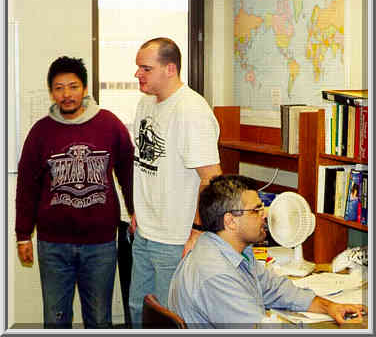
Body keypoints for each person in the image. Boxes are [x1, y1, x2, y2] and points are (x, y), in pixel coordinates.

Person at [15, 56, 134, 329]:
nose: (66, 95)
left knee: (99, 320)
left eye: (73, 86)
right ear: (51, 92)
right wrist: (23, 235)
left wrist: (135, 209)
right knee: (55, 320)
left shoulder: (109, 124)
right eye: (59, 88)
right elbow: (26, 186)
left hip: (101, 244)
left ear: (84, 88)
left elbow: (128, 172)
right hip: (53, 245)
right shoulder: (41, 132)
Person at [168, 174, 367, 328]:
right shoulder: (216, 274)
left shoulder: (233, 251)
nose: (265, 215)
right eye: (256, 210)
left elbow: (275, 289)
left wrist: (330, 307)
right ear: (230, 221)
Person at [129, 37, 222, 327]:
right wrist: (138, 213)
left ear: (170, 69)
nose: (137, 74)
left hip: (175, 238)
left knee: (169, 319)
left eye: (145, 68)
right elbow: (148, 167)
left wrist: (196, 231)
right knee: (137, 309)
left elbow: (211, 178)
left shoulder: (191, 110)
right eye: (138, 68)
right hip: (145, 231)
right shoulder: (145, 104)